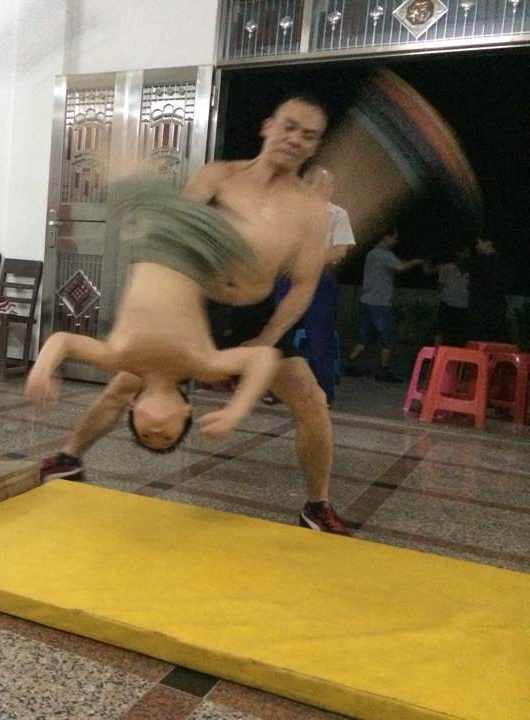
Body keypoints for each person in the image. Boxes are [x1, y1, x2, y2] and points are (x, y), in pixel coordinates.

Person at [35, 95, 350, 535]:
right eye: (290, 126)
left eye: (309, 136)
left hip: (256, 316)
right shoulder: (218, 176)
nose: (296, 139)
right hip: (195, 307)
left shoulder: (311, 209)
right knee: (125, 383)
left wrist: (267, 338)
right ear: (268, 126)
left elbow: (303, 285)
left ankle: (317, 505)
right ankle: (68, 458)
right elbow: (169, 235)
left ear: (315, 147)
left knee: (311, 399)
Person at [24, 180, 284, 446]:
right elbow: (264, 357)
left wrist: (42, 369)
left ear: (132, 405)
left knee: (121, 174)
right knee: (258, 286)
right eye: (168, 436)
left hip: (155, 235)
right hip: (203, 244)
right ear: (186, 411)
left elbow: (63, 341)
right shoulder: (202, 365)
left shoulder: (119, 357)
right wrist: (237, 410)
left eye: (146, 435)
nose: (157, 432)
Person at [266, 165, 355, 406]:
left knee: (320, 339)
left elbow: (340, 251)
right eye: (322, 184)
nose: (328, 189)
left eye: (330, 184)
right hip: (288, 278)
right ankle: (278, 389)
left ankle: (323, 392)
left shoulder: (338, 214)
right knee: (280, 334)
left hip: (320, 280)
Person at [344, 230, 424, 382]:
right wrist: (415, 262)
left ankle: (350, 363)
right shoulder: (385, 255)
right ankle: (383, 370)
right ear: (386, 237)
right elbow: (400, 267)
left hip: (366, 300)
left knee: (364, 338)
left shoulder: (371, 254)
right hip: (380, 303)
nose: (395, 241)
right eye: (394, 238)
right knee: (387, 338)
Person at [462, 238, 509, 343]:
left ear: (488, 243)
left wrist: (465, 254)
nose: (476, 246)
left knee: (476, 340)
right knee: (496, 339)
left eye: (479, 243)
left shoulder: (478, 261)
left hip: (480, 309)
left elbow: (462, 264)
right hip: (497, 307)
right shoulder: (503, 261)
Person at [425, 247, 469, 346]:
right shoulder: (447, 267)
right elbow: (439, 283)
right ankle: (437, 352)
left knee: (456, 332)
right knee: (442, 330)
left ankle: (455, 352)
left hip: (462, 305)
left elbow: (439, 285)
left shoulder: (470, 270)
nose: (465, 256)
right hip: (448, 302)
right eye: (463, 253)